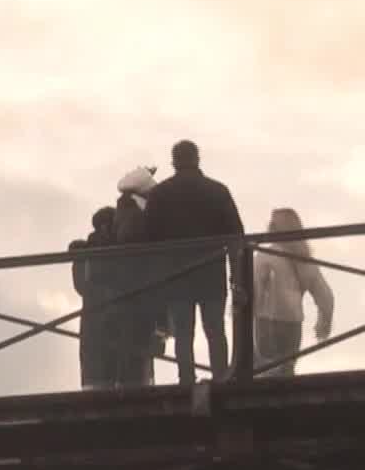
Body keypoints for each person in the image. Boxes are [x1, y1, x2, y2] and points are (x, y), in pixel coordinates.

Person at [143, 140, 245, 385]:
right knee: (215, 331)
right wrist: (237, 276)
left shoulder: (160, 194)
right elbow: (236, 237)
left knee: (183, 333)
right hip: (212, 272)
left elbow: (148, 240)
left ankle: (186, 379)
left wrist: (156, 279)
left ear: (173, 162)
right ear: (197, 159)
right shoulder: (218, 191)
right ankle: (221, 377)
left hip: (177, 274)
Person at [254, 207, 335, 377]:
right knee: (286, 373)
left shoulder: (265, 255)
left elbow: (254, 292)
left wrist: (244, 321)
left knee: (265, 374)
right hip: (293, 324)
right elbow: (326, 297)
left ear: (273, 229)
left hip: (267, 322)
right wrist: (324, 323)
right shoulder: (305, 260)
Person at [109, 167, 163, 388]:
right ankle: (135, 385)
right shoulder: (136, 216)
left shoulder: (124, 212)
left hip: (129, 289)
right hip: (138, 289)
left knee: (132, 339)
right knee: (137, 339)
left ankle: (131, 383)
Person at [71, 208, 119, 389]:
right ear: (107, 226)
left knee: (94, 370)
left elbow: (80, 286)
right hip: (114, 315)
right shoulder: (119, 247)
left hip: (92, 318)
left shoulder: (85, 252)